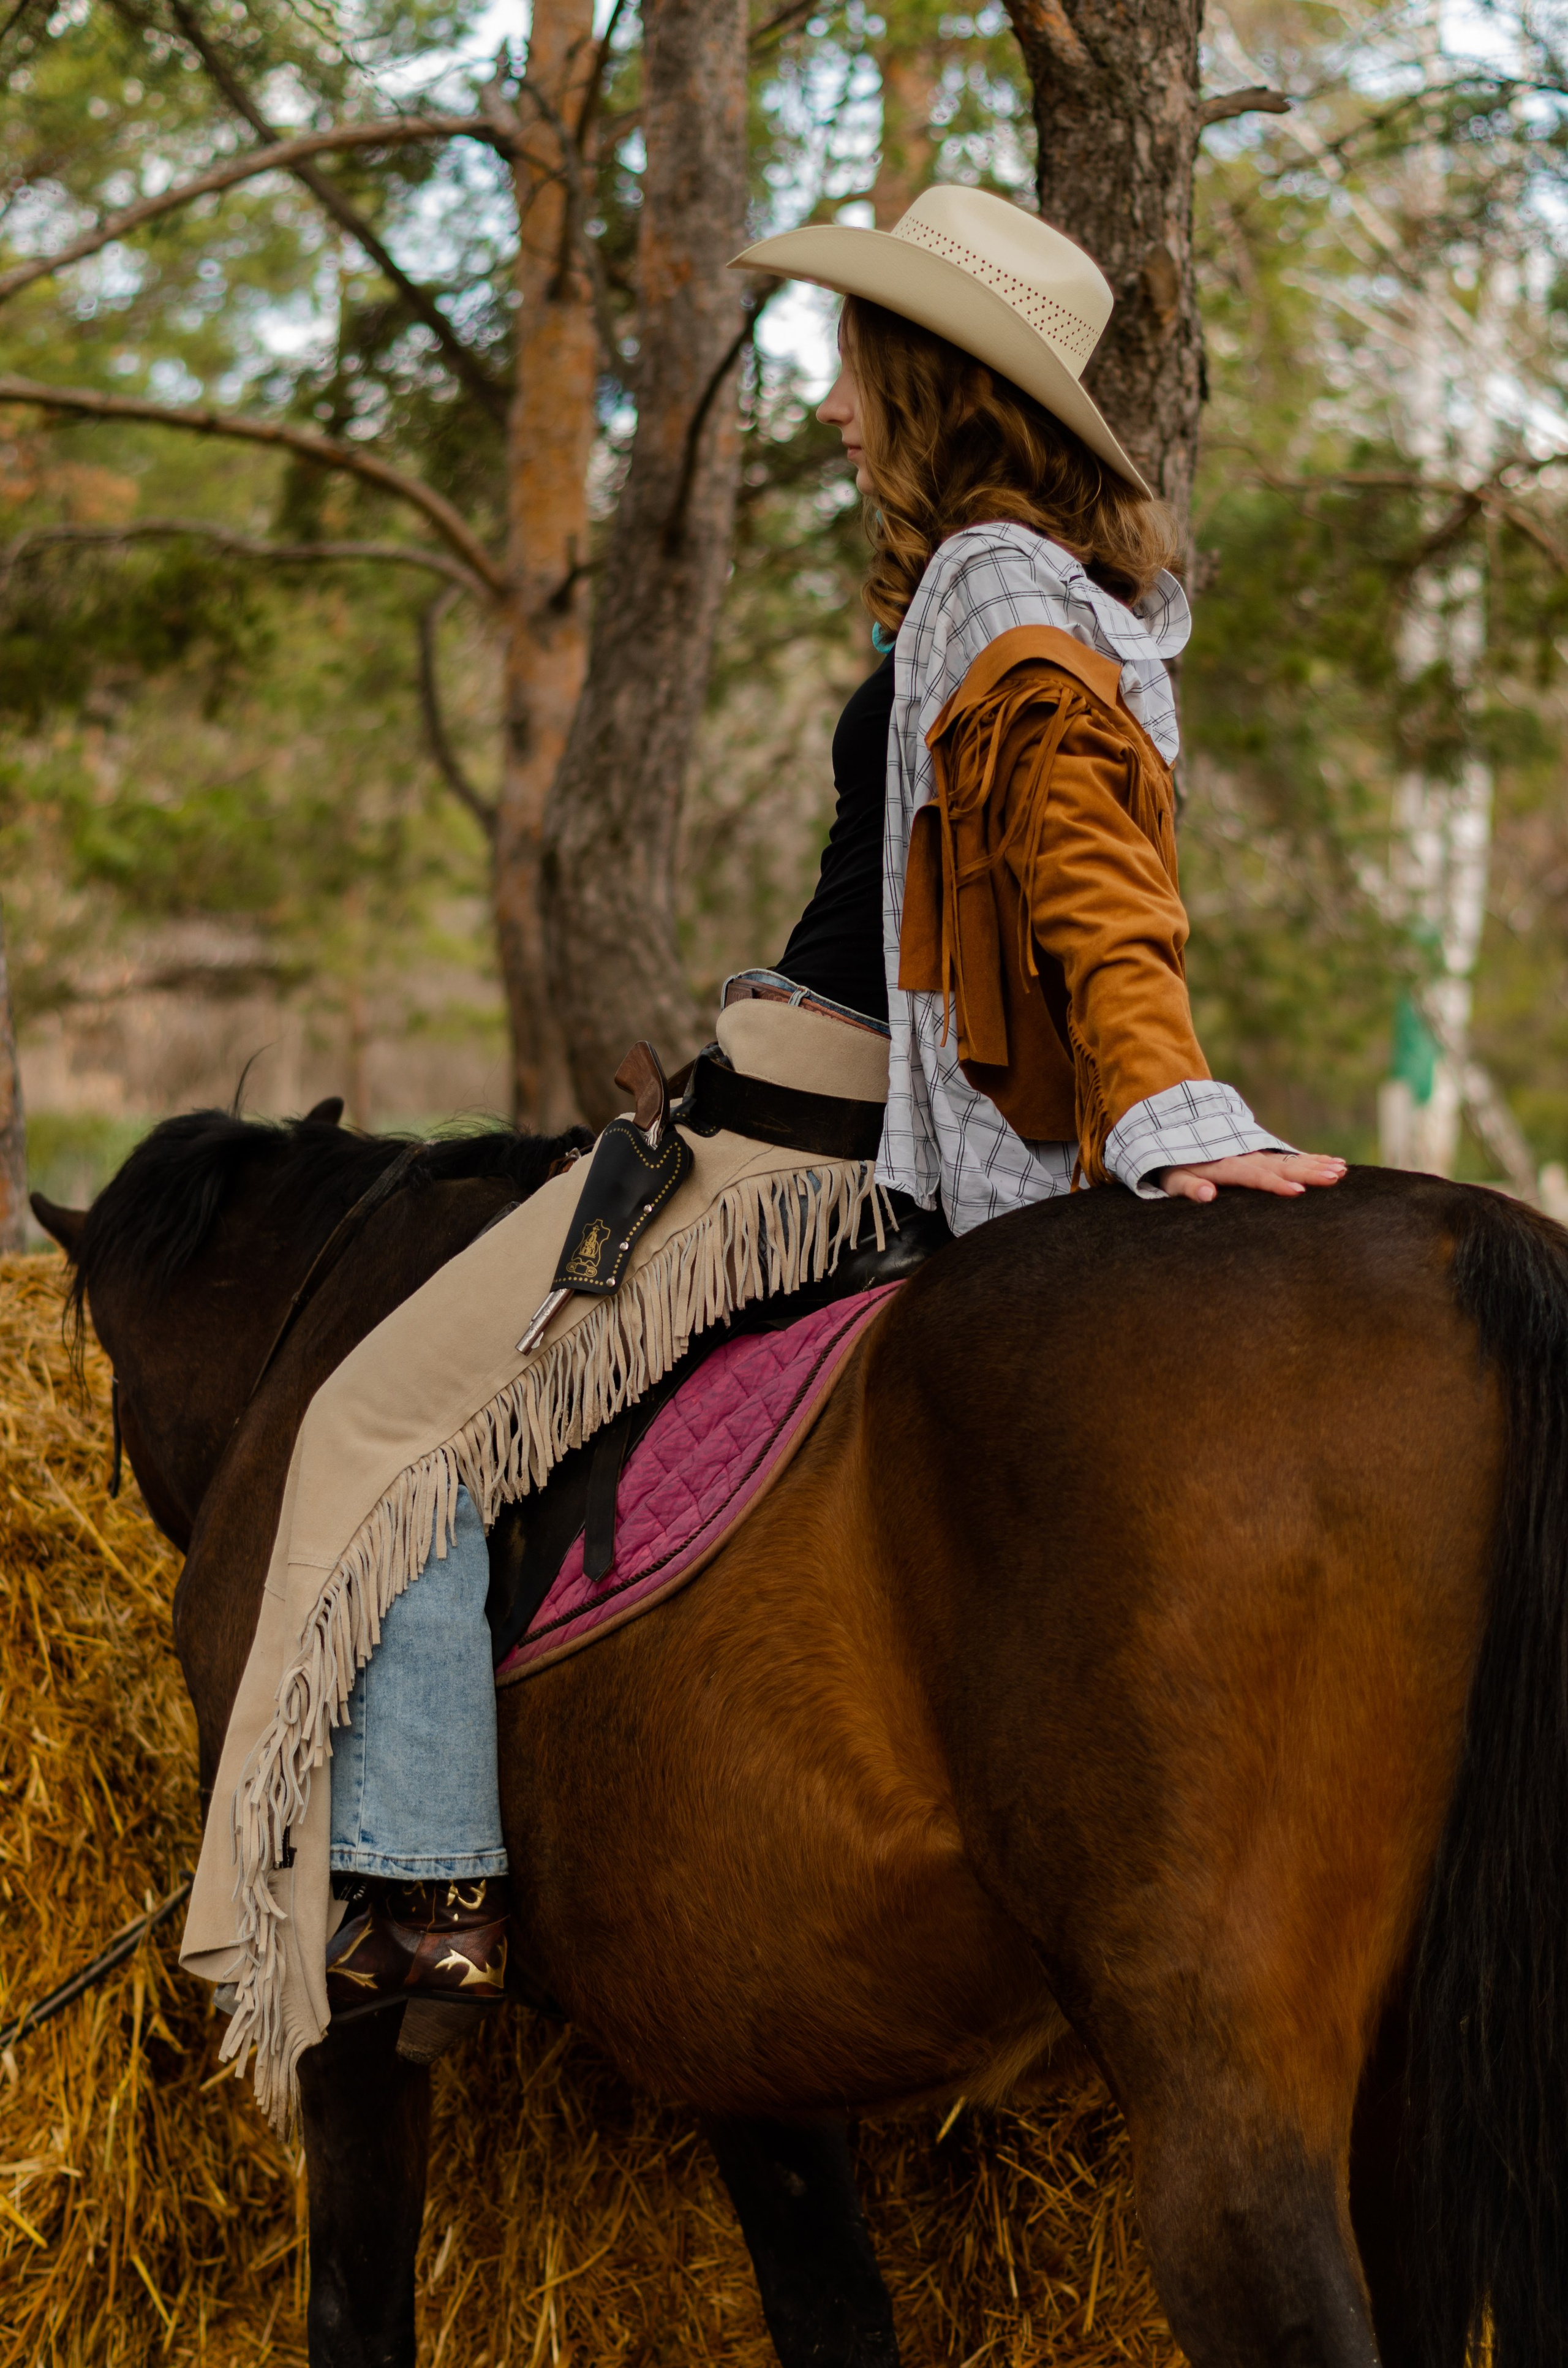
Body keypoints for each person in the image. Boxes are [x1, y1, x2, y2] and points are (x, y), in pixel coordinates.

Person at [184, 184, 1342, 2103]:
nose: (825, 406)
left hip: (786, 1161)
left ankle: (425, 1892)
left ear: (927, 379)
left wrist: (1167, 1107)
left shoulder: (989, 582)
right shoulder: (1064, 588)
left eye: (847, 362)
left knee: (384, 1433)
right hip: (804, 1116)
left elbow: (1089, 878)